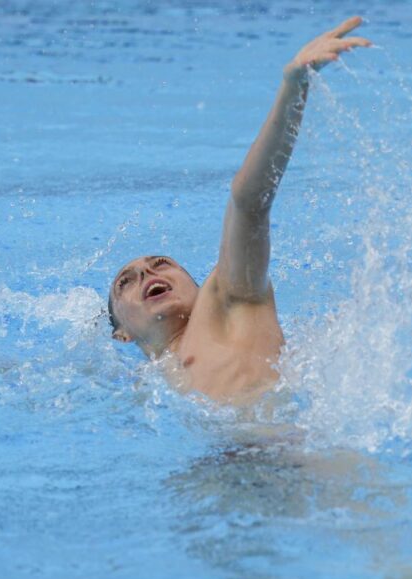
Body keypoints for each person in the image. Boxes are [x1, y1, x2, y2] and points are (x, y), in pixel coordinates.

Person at [107, 18, 371, 403]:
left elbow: (249, 202)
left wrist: (293, 87)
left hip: (282, 455)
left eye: (162, 262)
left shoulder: (230, 297)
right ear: (122, 334)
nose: (147, 272)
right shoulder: (142, 384)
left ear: (200, 289)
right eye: (125, 282)